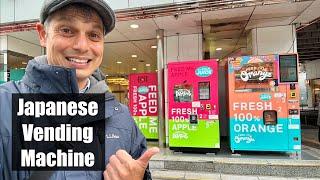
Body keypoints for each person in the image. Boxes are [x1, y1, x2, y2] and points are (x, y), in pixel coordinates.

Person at [0, 0, 159, 179]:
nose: (82, 46)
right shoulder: (4, 107)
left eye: (94, 34)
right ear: (43, 34)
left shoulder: (121, 116)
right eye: (67, 30)